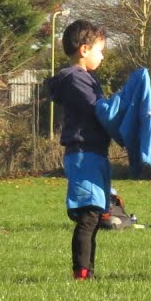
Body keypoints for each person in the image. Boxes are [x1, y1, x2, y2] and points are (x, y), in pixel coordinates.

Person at [48, 19, 110, 281]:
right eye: (100, 50)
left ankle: (88, 271)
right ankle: (82, 273)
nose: (103, 56)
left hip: (92, 153)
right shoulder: (77, 79)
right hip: (84, 154)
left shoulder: (85, 78)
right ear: (84, 49)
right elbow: (98, 109)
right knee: (88, 215)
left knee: (94, 216)